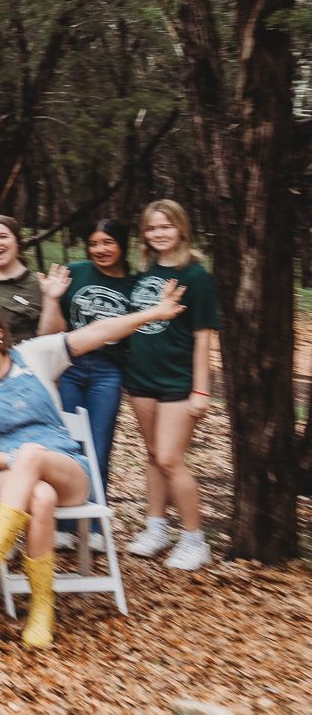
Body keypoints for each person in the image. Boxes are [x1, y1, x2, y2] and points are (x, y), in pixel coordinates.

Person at [0, 285, 187, 647]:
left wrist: (152, 314)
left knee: (35, 459)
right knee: (40, 496)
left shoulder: (34, 355)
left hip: (65, 466)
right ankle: (41, 611)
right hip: (5, 472)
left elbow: (95, 334)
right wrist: (19, 463)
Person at [117, 199, 221, 570]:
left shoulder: (196, 276)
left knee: (169, 458)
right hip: (142, 379)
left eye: (166, 226)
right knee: (151, 455)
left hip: (178, 381)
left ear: (181, 228)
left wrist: (201, 389)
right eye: (152, 228)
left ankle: (195, 540)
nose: (159, 233)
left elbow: (203, 337)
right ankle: (156, 528)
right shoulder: (143, 273)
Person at [36, 219, 133, 549]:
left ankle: (92, 527)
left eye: (108, 242)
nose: (100, 250)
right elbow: (52, 331)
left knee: (99, 445)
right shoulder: (75, 272)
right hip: (70, 367)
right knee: (64, 444)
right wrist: (52, 298)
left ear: (122, 245)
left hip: (108, 372)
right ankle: (62, 523)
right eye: (94, 243)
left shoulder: (133, 284)